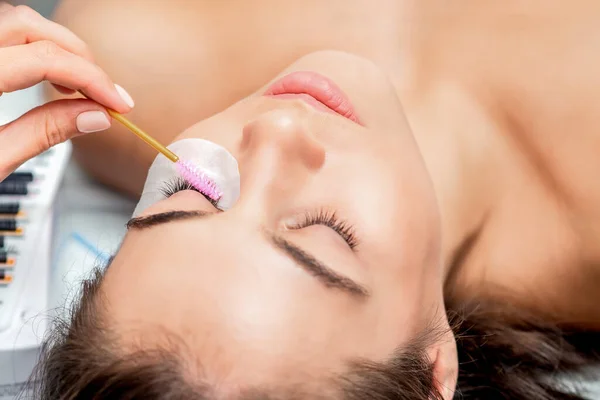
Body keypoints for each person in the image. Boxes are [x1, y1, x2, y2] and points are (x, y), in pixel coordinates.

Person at [2, 1, 600, 399]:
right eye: (325, 231)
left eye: (187, 189)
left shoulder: (135, 49)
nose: (277, 132)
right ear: (430, 371)